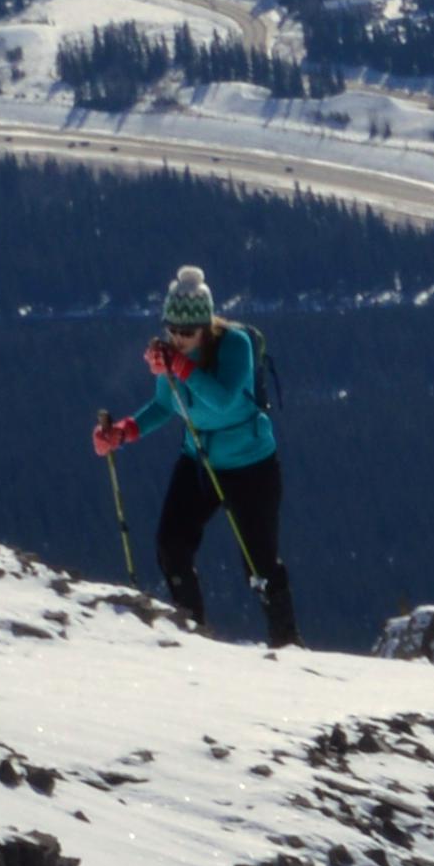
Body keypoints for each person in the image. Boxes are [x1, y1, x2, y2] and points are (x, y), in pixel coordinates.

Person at [93, 265, 289, 645]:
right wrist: (125, 431)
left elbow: (224, 401)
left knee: (260, 564)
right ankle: (194, 632)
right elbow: (165, 405)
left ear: (205, 325)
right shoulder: (172, 357)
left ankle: (287, 641)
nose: (179, 339)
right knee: (171, 544)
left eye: (187, 332)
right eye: (173, 330)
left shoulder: (235, 346)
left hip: (251, 464)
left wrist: (181, 368)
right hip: (199, 457)